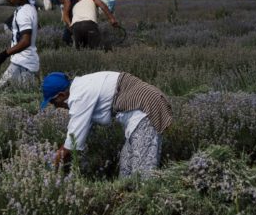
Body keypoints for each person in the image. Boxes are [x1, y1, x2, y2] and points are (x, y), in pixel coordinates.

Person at [41, 71, 172, 179]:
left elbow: (72, 143)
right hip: (139, 110)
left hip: (145, 109)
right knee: (126, 171)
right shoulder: (82, 86)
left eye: (54, 102)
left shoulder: (79, 96)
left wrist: (51, 168)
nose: (56, 107)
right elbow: (82, 132)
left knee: (143, 175)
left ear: (61, 95)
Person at [0, 0, 39, 98]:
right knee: (13, 96)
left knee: (22, 98)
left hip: (24, 63)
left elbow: (26, 41)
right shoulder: (27, 8)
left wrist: (4, 54)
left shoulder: (24, 12)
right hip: (21, 61)